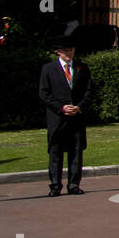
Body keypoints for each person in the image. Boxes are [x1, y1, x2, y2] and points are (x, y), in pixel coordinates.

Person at [38, 31, 94, 197]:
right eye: (65, 51)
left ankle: (74, 184)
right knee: (55, 152)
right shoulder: (48, 69)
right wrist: (61, 108)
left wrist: (79, 107)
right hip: (57, 118)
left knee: (76, 151)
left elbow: (89, 91)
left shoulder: (82, 68)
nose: (69, 54)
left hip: (76, 117)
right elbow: (44, 93)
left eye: (71, 50)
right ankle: (55, 185)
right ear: (58, 52)